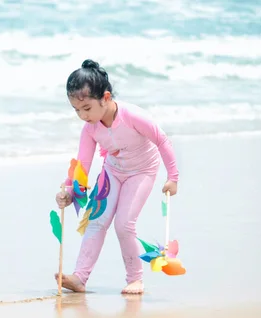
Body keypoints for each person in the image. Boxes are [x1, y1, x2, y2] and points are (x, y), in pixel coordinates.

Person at [55, 59, 180, 295]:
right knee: (96, 221)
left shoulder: (132, 116)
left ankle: (135, 279)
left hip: (142, 171)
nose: (83, 116)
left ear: (106, 97)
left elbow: (162, 140)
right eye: (77, 110)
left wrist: (173, 177)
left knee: (124, 224)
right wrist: (71, 192)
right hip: (112, 171)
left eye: (87, 108)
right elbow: (83, 163)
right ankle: (80, 278)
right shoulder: (90, 129)